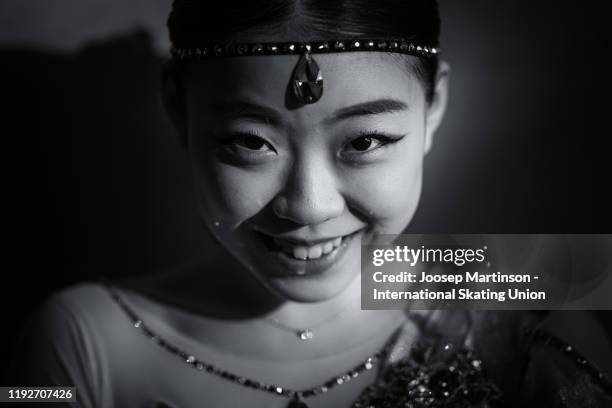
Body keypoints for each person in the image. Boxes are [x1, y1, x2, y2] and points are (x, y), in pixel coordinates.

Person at [10, 1, 612, 407]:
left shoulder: (534, 292)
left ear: (433, 109)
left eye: (366, 141)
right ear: (179, 110)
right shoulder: (79, 337)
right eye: (249, 142)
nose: (309, 206)